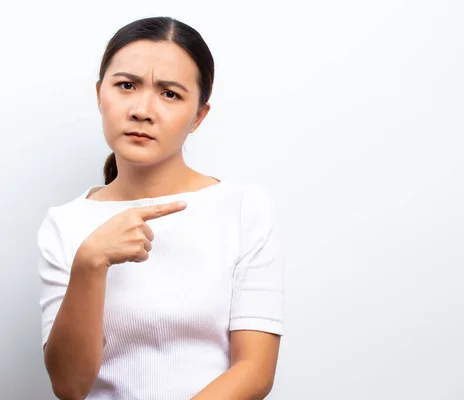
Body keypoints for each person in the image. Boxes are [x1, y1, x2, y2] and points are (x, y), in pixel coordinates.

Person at [36, 16, 284, 400]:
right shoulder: (65, 224)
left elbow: (255, 370)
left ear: (198, 116)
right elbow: (69, 387)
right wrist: (89, 262)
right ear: (100, 94)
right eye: (126, 86)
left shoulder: (243, 209)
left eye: (170, 94)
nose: (141, 110)